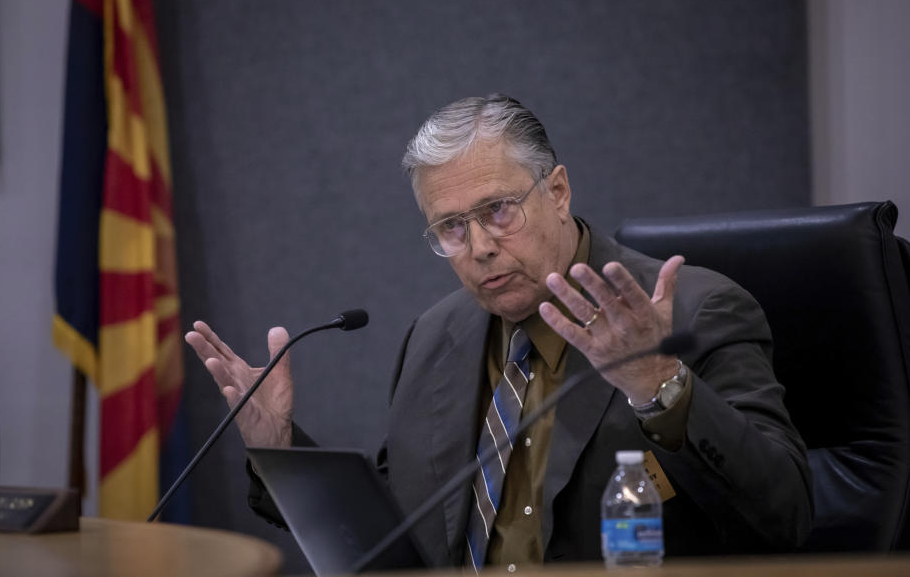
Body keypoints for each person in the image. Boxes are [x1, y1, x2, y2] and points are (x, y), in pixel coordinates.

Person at [185, 94, 812, 569]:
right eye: (451, 228)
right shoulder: (436, 336)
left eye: (497, 211)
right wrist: (283, 451)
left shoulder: (691, 313)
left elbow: (783, 517)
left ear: (558, 191)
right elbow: (402, 526)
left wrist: (660, 386)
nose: (480, 247)